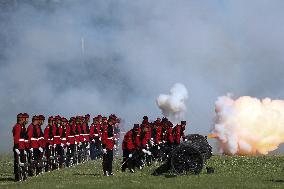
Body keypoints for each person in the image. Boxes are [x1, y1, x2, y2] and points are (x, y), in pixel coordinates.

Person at [12, 113, 29, 181]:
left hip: (22, 147)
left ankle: (22, 175)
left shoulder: (21, 126)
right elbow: (16, 137)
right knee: (18, 163)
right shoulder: (17, 126)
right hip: (18, 147)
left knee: (23, 162)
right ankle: (18, 177)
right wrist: (16, 147)